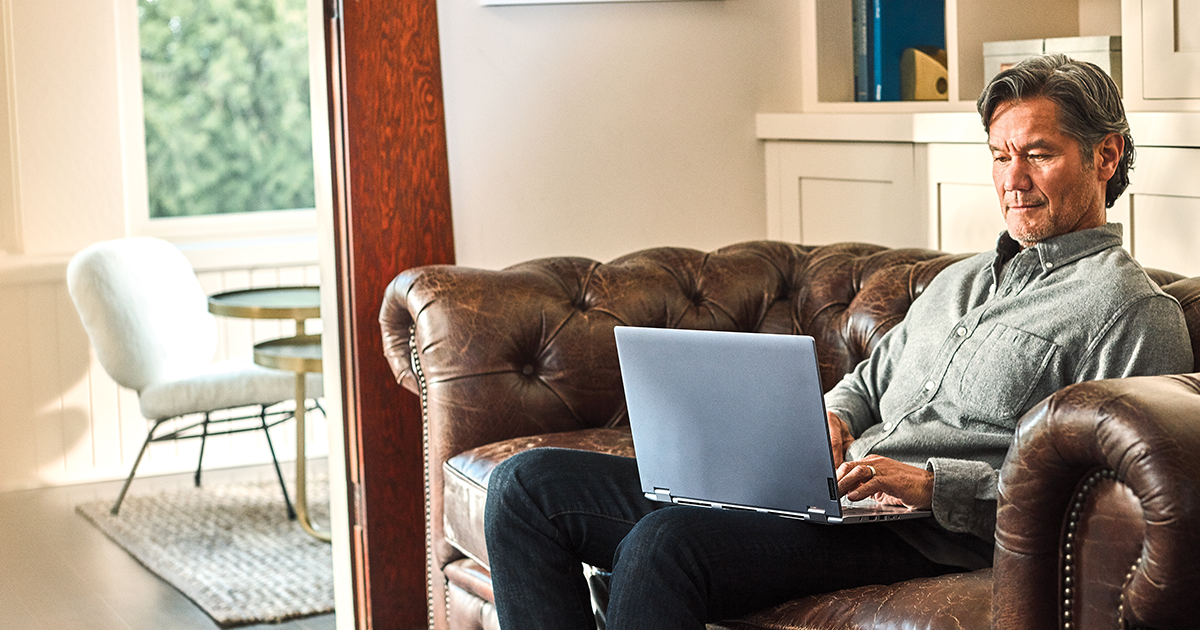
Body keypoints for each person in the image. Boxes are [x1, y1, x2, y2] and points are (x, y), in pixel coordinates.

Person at [483, 54, 1194, 630]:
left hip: (922, 532)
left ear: (1106, 156)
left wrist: (935, 485)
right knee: (527, 489)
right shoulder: (963, 280)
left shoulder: (1130, 312)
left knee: (667, 546)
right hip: (838, 495)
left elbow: (1108, 503)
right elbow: (873, 376)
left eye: (1038, 154)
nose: (1012, 180)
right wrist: (836, 416)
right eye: (1000, 154)